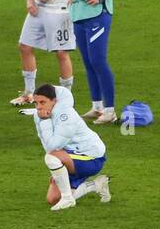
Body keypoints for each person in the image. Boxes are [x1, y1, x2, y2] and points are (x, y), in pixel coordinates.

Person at [32, 83, 110, 211]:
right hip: (73, 156)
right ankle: (96, 185)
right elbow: (47, 145)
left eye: (42, 102)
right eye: (36, 103)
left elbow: (52, 147)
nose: (39, 107)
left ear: (54, 101)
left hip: (92, 158)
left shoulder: (66, 116)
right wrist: (58, 170)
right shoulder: (40, 115)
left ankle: (68, 199)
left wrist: (45, 121)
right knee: (53, 199)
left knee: (51, 157)